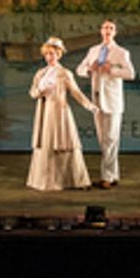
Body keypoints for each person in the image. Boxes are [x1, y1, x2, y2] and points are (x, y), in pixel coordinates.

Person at [26, 37, 99, 191]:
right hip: (44, 112)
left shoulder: (64, 73)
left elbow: (76, 92)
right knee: (45, 143)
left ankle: (73, 180)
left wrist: (89, 105)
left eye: (52, 54)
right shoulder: (41, 73)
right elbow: (32, 93)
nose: (49, 57)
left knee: (64, 143)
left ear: (59, 54)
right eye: (47, 54)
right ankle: (44, 181)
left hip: (59, 112)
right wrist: (40, 90)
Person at [74, 19, 135, 189]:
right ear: (101, 31)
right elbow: (79, 70)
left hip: (113, 101)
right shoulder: (93, 50)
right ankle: (113, 175)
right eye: (105, 27)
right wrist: (89, 69)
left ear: (115, 32)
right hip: (96, 100)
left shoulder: (121, 52)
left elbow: (130, 73)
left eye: (111, 28)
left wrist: (112, 70)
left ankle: (106, 177)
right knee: (104, 140)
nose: (107, 30)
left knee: (110, 139)